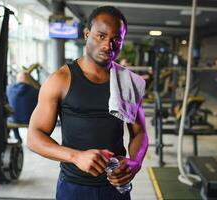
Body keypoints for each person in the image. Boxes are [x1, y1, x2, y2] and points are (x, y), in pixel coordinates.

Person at [27, 6, 148, 200]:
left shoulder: (128, 82)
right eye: (101, 36)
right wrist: (75, 156)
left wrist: (135, 162)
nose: (108, 45)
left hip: (116, 186)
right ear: (87, 34)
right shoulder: (60, 80)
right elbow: (34, 137)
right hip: (74, 187)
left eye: (116, 39)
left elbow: (139, 132)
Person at [6, 71, 39, 143]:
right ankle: (32, 139)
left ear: (17, 79)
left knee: (10, 116)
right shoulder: (35, 91)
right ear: (28, 80)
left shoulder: (8, 88)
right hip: (29, 120)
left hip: (14, 120)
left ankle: (17, 137)